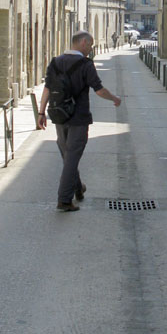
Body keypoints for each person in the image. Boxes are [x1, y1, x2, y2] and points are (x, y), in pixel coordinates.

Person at [37, 31, 121, 212]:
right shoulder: (86, 64)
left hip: (59, 115)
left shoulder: (55, 62)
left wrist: (41, 112)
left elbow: (47, 89)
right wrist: (114, 98)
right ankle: (64, 199)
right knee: (72, 156)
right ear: (83, 42)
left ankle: (77, 188)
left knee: (68, 155)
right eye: (90, 45)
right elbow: (98, 90)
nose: (90, 49)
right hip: (78, 117)